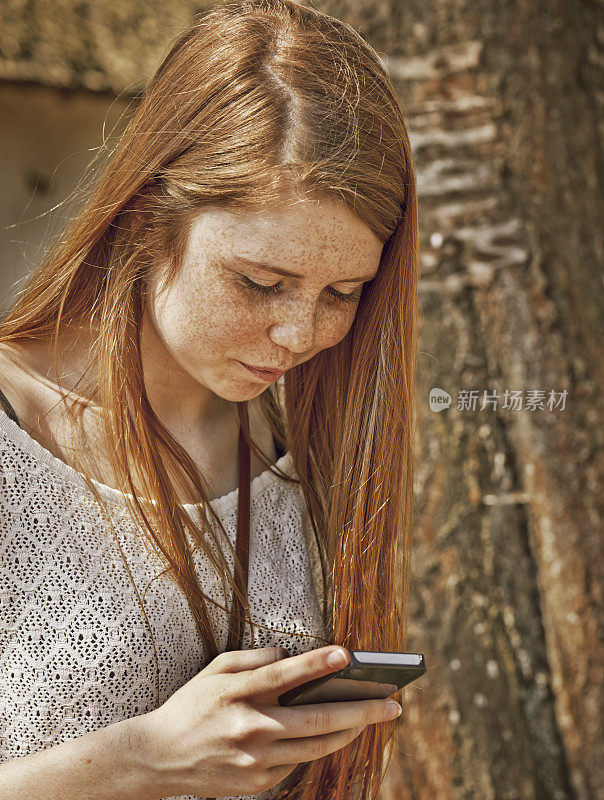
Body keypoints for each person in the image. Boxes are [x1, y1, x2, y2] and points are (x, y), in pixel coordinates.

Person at [0, 0, 418, 798]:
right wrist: (141, 758)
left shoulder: (304, 445)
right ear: (147, 215)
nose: (299, 334)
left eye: (343, 292)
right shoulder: (14, 435)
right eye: (261, 282)